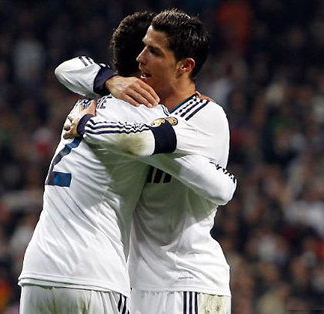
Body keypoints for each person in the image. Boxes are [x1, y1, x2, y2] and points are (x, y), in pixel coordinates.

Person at [19, 11, 236, 314]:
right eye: (143, 47)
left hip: (184, 280)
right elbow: (67, 69)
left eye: (153, 51)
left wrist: (87, 127)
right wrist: (111, 82)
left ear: (184, 66)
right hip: (130, 281)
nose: (141, 58)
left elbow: (221, 188)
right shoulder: (134, 107)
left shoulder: (206, 116)